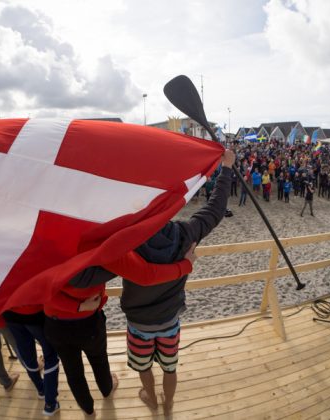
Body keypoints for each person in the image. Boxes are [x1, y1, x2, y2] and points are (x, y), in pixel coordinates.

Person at [121, 149, 234, 416]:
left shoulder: (127, 240)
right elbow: (215, 210)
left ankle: (151, 398)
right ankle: (168, 404)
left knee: (144, 366)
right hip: (170, 319)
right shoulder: (185, 233)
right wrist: (226, 168)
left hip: (139, 322)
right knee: (170, 367)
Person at [44, 240, 197, 416]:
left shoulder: (48, 257)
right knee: (102, 360)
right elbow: (146, 274)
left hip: (58, 324)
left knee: (73, 370)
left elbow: (42, 292)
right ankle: (161, 402)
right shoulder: (96, 251)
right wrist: (185, 265)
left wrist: (75, 306)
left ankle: (89, 410)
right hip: (94, 321)